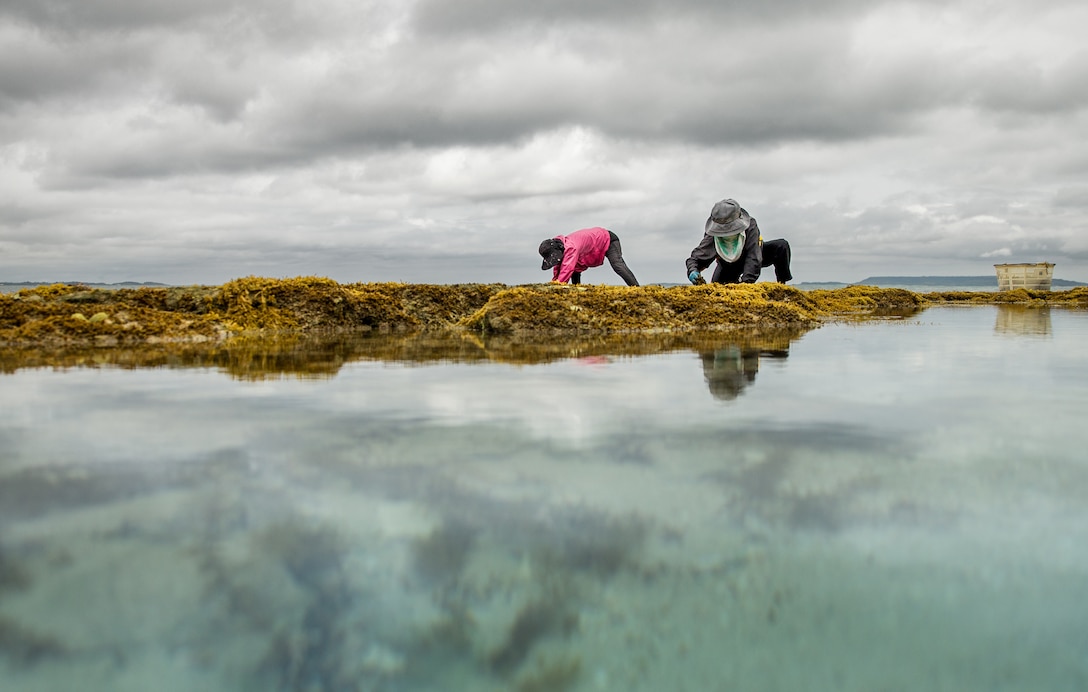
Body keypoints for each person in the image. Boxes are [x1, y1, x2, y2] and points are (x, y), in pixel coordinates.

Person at [685, 198, 792, 285]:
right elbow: (696, 258)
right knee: (719, 288)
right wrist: (693, 270)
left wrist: (745, 283)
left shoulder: (750, 225)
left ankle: (782, 284)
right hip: (728, 266)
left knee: (781, 246)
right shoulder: (713, 233)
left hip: (755, 255)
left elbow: (753, 256)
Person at [539, 227, 640, 286]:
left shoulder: (570, 247)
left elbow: (567, 269)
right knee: (575, 269)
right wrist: (554, 281)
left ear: (557, 249)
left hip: (608, 239)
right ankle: (576, 292)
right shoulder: (561, 248)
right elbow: (558, 266)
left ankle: (636, 288)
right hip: (594, 244)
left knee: (618, 265)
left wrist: (559, 285)